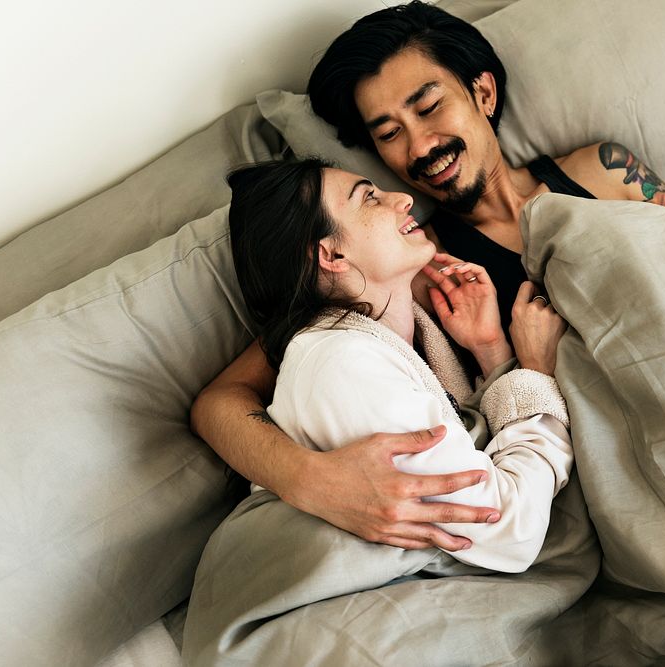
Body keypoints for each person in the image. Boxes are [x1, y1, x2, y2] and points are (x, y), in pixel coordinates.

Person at [190, 2, 665, 550]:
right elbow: (221, 400)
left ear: (482, 92)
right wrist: (310, 479)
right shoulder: (420, 267)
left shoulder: (607, 173)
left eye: (428, 106)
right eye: (388, 134)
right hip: (645, 479)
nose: (419, 148)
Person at [226, 157, 573, 572]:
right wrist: (536, 373)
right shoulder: (341, 366)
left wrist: (491, 349)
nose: (404, 199)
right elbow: (511, 532)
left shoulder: (395, 338)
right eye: (369, 198)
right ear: (332, 254)